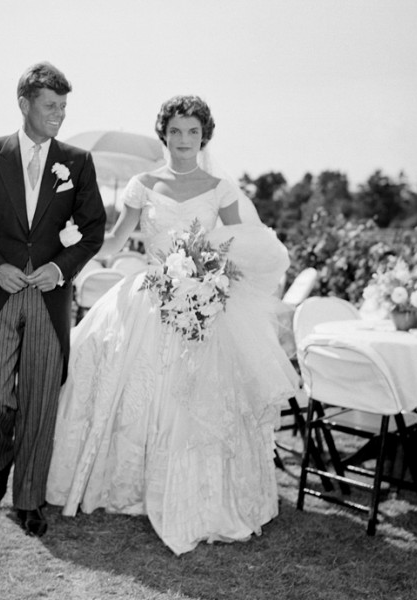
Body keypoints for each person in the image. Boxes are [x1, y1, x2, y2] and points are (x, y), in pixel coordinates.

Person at [46, 95, 300, 555]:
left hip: (202, 300)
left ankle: (199, 489)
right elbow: (117, 238)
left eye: (193, 132)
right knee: (121, 379)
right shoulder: (143, 184)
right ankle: (128, 483)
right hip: (148, 296)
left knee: (199, 395)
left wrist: (209, 275)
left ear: (205, 136)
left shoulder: (220, 188)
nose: (184, 140)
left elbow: (240, 244)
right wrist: (68, 244)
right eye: (177, 131)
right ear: (164, 133)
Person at [0, 62, 106, 538]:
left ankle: (30, 499)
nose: (58, 114)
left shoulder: (77, 161)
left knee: (40, 399)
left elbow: (94, 229)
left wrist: (59, 268)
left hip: (50, 296)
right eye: (49, 105)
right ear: (24, 104)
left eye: (63, 106)